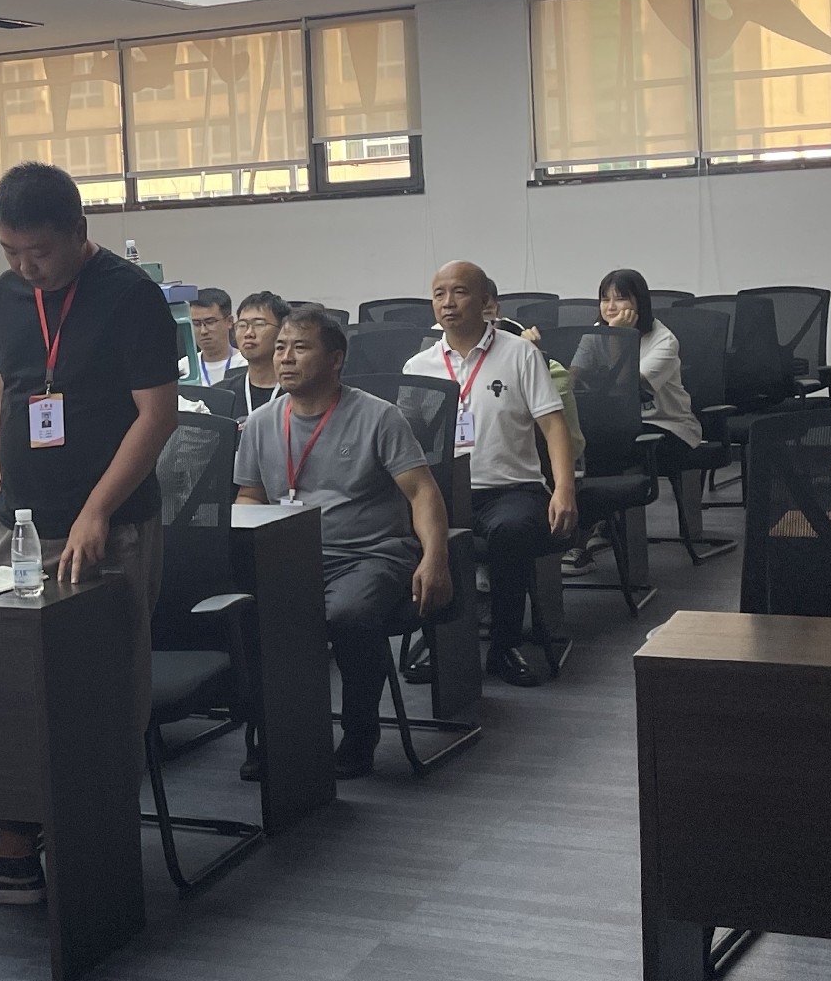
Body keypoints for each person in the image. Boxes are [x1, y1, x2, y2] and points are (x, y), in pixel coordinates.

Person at [0, 162, 176, 906]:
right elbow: (11, 390)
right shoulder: (8, 291)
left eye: (40, 252)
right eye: (10, 251)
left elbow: (157, 416)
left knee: (99, 695)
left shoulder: (129, 295)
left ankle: (98, 864)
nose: (26, 267)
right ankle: (15, 853)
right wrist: (0, 482)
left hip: (105, 529)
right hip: (16, 524)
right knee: (7, 688)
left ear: (79, 232)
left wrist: (95, 510)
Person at [233, 308, 452, 778]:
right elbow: (250, 495)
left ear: (335, 359)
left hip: (370, 554)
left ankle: (359, 734)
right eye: (281, 348)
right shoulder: (262, 422)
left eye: (300, 348)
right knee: (246, 613)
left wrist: (435, 557)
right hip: (289, 555)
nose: (285, 358)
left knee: (348, 615)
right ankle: (276, 735)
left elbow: (422, 492)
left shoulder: (378, 416)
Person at [404, 262, 578, 688]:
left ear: (485, 301)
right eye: (439, 293)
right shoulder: (419, 366)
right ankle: (441, 645)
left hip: (510, 489)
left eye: (459, 292)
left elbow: (554, 426)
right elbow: (411, 442)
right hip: (444, 492)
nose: (448, 302)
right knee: (419, 532)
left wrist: (564, 489)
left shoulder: (520, 353)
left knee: (510, 531)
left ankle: (504, 646)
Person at [598, 267, 702, 468]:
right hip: (622, 424)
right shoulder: (596, 333)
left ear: (639, 302)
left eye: (620, 299)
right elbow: (573, 374)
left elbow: (625, 386)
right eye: (605, 299)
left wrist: (617, 336)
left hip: (666, 425)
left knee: (609, 450)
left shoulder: (664, 341)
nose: (610, 307)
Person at [220, 291, 288, 425]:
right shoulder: (221, 394)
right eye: (242, 325)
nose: (249, 333)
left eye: (259, 324)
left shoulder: (299, 394)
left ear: (282, 330)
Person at [189, 287, 243, 385]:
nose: (203, 331)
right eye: (196, 324)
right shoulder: (185, 368)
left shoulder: (246, 364)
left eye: (210, 322)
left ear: (229, 321)